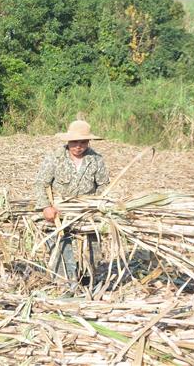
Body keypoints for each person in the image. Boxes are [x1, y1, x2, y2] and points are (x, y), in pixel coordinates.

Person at [34, 120, 110, 283]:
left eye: (82, 142)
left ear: (88, 142)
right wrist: (46, 207)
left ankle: (89, 281)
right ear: (68, 141)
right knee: (61, 248)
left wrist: (97, 206)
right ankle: (65, 283)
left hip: (87, 212)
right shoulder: (55, 158)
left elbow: (103, 185)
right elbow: (41, 183)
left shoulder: (96, 160)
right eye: (74, 142)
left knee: (92, 252)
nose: (78, 146)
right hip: (58, 212)